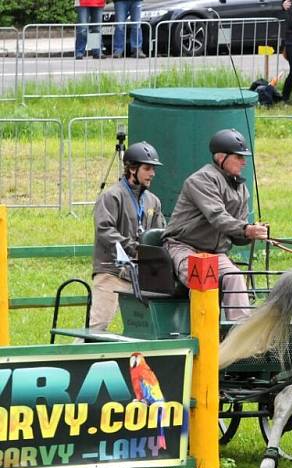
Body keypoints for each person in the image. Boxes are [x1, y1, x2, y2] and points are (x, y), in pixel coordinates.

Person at [163, 129, 269, 321]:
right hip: (184, 247)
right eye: (238, 157)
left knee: (234, 276)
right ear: (221, 157)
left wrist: (251, 233)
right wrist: (246, 229)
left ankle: (240, 333)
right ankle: (203, 333)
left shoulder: (241, 189)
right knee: (204, 279)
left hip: (215, 254)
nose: (244, 162)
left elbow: (237, 233)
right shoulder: (201, 180)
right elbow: (217, 216)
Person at [91, 141, 165, 331]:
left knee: (146, 329)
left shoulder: (153, 201)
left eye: (154, 169)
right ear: (132, 169)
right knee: (98, 325)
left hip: (141, 277)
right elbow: (105, 230)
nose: (153, 174)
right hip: (112, 271)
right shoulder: (111, 196)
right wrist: (134, 248)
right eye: (148, 168)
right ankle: (73, 359)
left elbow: (160, 234)